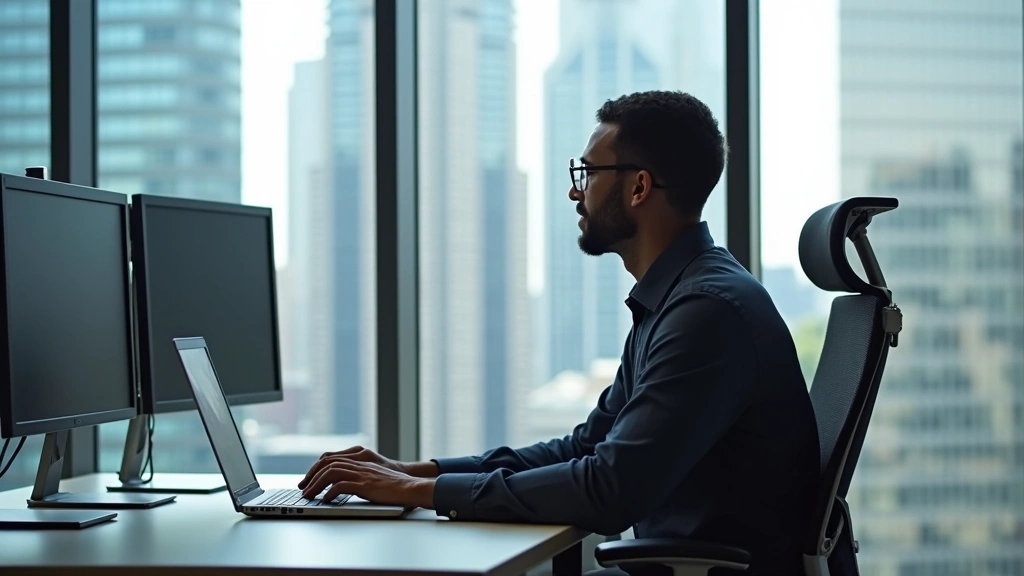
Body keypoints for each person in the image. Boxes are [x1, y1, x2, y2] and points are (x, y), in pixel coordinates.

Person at [298, 90, 820, 575]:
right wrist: (419, 473)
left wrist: (419, 492)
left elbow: (609, 490)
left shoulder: (706, 312)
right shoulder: (680, 297)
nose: (576, 190)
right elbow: (588, 446)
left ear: (639, 186)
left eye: (588, 172)